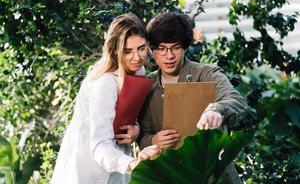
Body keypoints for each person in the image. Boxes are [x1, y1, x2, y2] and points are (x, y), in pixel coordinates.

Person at [137, 12, 247, 183]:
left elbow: (236, 100)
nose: (169, 56)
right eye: (161, 49)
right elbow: (141, 134)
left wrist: (217, 110)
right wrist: (153, 140)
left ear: (185, 47)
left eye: (175, 47)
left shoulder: (206, 73)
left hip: (212, 176)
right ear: (152, 50)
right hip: (170, 176)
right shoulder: (146, 85)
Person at [51, 13, 160, 184]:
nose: (137, 57)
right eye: (127, 51)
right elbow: (100, 144)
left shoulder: (138, 71)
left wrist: (136, 129)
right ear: (114, 50)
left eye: (141, 48)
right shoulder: (104, 83)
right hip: (89, 170)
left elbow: (129, 114)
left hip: (118, 165)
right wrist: (132, 163)